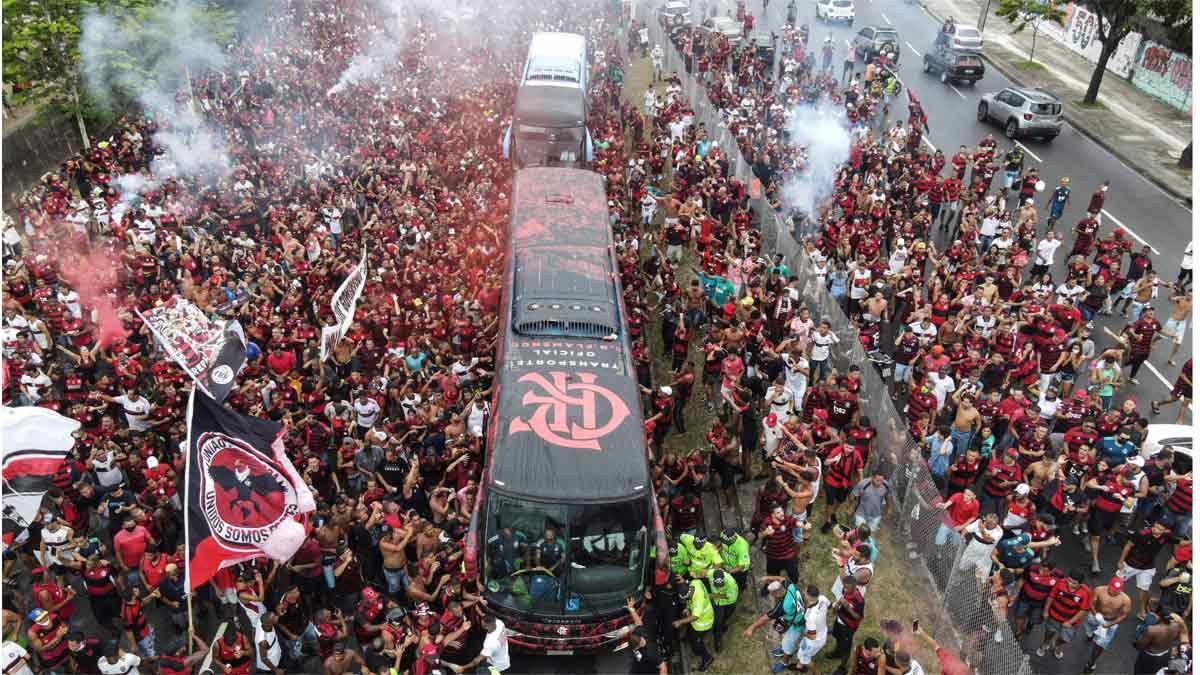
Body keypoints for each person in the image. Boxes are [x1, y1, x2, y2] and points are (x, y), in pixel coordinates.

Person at [1037, 569, 1092, 660]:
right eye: (1069, 580)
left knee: (1065, 638)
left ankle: (1057, 645)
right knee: (1049, 631)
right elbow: (1051, 596)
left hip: (1070, 621)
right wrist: (1046, 611)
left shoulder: (1086, 592)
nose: (1070, 584)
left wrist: (1070, 622)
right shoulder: (1060, 583)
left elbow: (1083, 610)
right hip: (1054, 616)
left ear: (1080, 584)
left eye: (1074, 583)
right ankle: (1045, 643)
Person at [1082, 577, 1131, 673]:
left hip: (1110, 623)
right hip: (1095, 616)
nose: (1114, 592)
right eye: (1112, 588)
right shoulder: (1099, 590)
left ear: (1121, 590)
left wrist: (1110, 624)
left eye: (1117, 590)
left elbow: (1124, 615)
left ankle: (1091, 663)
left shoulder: (1126, 600)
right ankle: (1090, 633)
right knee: (1089, 630)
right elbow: (1091, 602)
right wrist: (1095, 613)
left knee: (1100, 644)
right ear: (1109, 585)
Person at [672, 580, 714, 671]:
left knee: (697, 643)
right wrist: (687, 608)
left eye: (686, 599)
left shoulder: (698, 601)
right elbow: (689, 601)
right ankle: (689, 638)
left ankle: (707, 658)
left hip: (703, 623)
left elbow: (694, 617)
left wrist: (680, 622)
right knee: (691, 633)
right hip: (697, 620)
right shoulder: (694, 583)